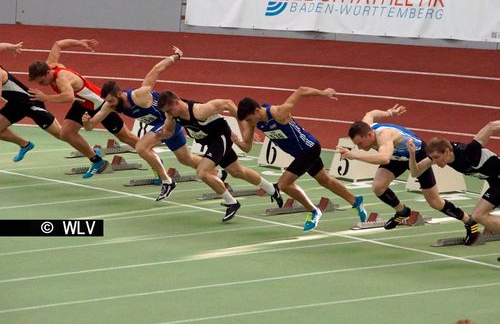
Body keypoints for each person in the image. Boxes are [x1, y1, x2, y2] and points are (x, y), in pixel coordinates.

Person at [82, 46, 226, 200]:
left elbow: (156, 69)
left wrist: (177, 55)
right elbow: (90, 127)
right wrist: (86, 123)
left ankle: (167, 181)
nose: (109, 104)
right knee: (186, 159)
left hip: (170, 120)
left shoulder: (139, 95)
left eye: (111, 101)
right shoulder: (109, 106)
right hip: (163, 128)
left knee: (141, 147)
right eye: (107, 102)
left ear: (119, 94)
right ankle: (219, 173)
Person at [339, 104, 480, 244]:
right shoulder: (366, 125)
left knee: (435, 202)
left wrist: (354, 155)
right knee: (378, 187)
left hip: (417, 155)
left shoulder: (385, 135)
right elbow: (371, 113)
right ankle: (402, 212)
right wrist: (389, 112)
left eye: (360, 143)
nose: (359, 147)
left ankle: (470, 222)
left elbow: (384, 158)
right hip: (397, 158)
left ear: (369, 134)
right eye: (356, 144)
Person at [235, 87, 367, 231]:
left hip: (309, 149)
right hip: (299, 154)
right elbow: (247, 147)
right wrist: (236, 140)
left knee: (283, 184)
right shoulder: (253, 121)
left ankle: (313, 211)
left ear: (256, 111)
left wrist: (323, 93)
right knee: (325, 180)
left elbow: (301, 91)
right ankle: (356, 201)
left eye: (249, 119)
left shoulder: (278, 113)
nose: (249, 123)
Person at [157, 90, 282, 222]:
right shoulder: (171, 115)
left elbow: (227, 103)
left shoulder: (200, 110)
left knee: (202, 172)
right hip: (211, 142)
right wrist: (160, 135)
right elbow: (169, 131)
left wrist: (245, 127)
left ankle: (231, 202)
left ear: (177, 103)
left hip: (220, 137)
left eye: (170, 110)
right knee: (237, 172)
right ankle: (272, 188)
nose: (168, 113)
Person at [27, 39, 138, 179]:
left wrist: (45, 97)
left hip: (100, 105)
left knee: (126, 137)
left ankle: (151, 152)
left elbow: (68, 96)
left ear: (48, 73)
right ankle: (97, 162)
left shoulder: (62, 78)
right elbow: (58, 44)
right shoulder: (49, 65)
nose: (42, 85)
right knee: (66, 133)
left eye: (42, 81)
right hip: (82, 104)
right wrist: (80, 42)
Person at [408, 120, 500, 237]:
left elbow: (491, 126)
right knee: (480, 215)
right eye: (432, 158)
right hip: (494, 182)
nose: (434, 162)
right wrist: (412, 154)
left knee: (479, 215)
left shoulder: (468, 153)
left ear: (446, 151)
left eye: (436, 157)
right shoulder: (442, 153)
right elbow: (415, 172)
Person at [0, 42, 61, 162]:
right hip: (15, 104)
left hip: (30, 103)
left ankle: (89, 151)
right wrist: (11, 47)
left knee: (60, 134)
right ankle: (25, 145)